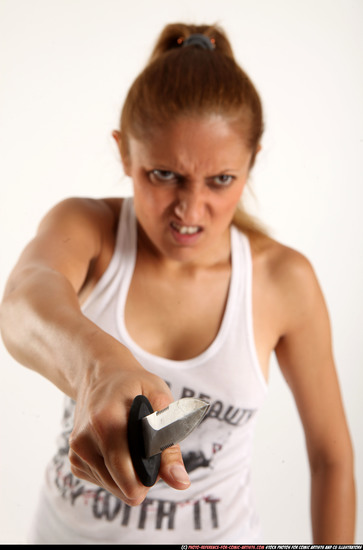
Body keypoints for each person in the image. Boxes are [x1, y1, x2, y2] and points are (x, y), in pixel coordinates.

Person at [0, 22, 356, 544]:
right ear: (125, 155)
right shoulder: (88, 230)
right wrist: (100, 365)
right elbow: (21, 303)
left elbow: (332, 459)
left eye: (220, 180)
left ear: (252, 162)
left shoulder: (284, 281)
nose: (190, 211)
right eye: (163, 175)